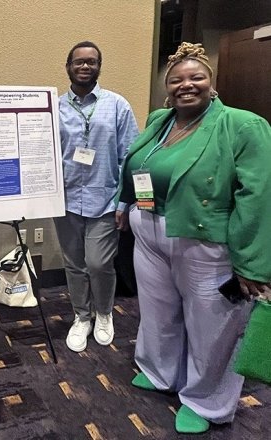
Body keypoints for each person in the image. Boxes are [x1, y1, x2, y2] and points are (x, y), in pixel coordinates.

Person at [118, 42, 271, 434]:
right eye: (177, 80)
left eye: (196, 77)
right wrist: (126, 203)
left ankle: (207, 401)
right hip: (149, 230)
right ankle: (159, 371)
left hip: (206, 243)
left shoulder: (242, 125)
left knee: (212, 325)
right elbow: (140, 166)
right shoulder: (160, 120)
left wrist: (253, 263)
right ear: (167, 87)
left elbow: (258, 197)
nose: (187, 85)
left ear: (212, 83)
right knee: (156, 311)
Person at [54, 41, 139, 352]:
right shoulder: (54, 108)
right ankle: (82, 316)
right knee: (74, 263)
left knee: (99, 263)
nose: (85, 66)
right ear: (68, 67)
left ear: (99, 67)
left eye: (91, 62)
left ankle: (103, 313)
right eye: (79, 61)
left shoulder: (117, 105)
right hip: (64, 199)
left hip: (105, 200)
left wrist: (124, 202)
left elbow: (130, 157)